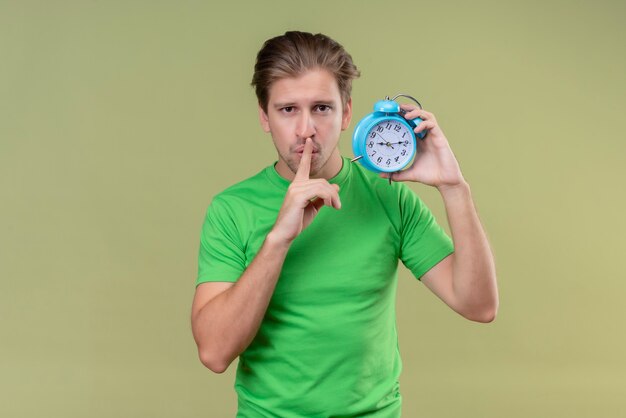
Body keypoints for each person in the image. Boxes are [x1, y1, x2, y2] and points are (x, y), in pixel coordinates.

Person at [191, 31, 498, 417]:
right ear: (264, 116)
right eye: (288, 110)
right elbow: (214, 353)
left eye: (321, 108)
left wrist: (454, 188)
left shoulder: (388, 196)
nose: (306, 129)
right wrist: (278, 240)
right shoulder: (232, 209)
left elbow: (479, 305)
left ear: (347, 113)